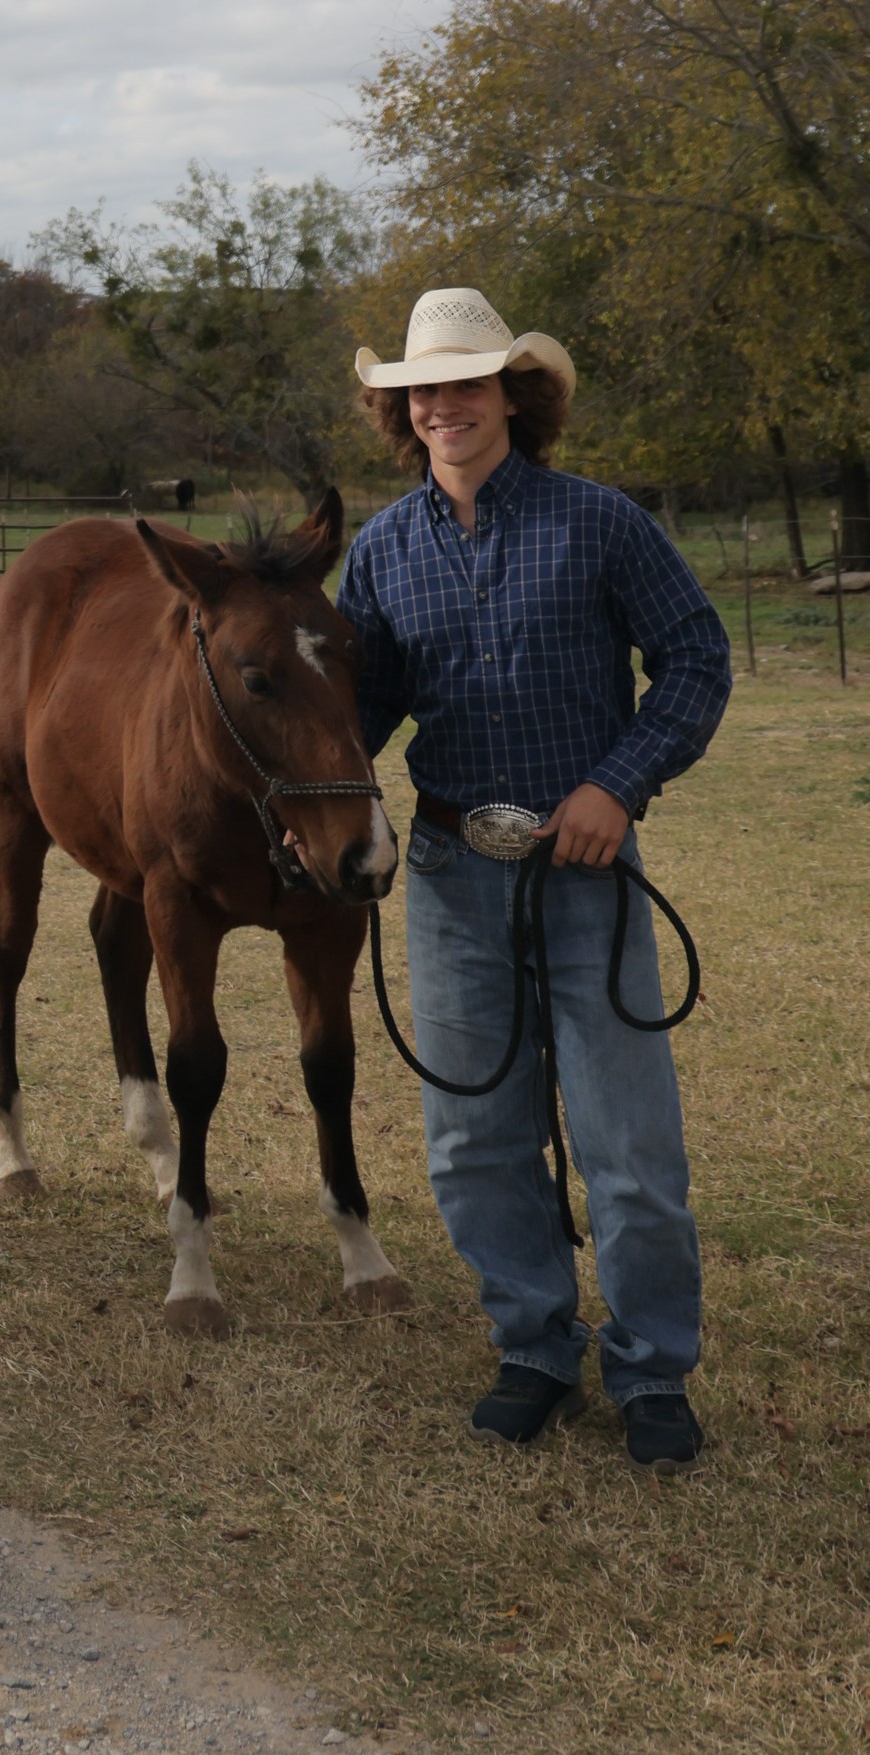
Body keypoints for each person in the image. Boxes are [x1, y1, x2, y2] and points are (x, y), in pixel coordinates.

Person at [341, 289, 731, 1472]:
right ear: (399, 410)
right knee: (470, 1136)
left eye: (464, 382)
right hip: (454, 871)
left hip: (585, 869)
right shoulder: (379, 551)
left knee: (626, 1140)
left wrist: (617, 786)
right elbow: (355, 715)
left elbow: (696, 660)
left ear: (514, 393)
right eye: (422, 388)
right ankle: (533, 1348)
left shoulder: (600, 523)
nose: (442, 405)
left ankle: (652, 1369)